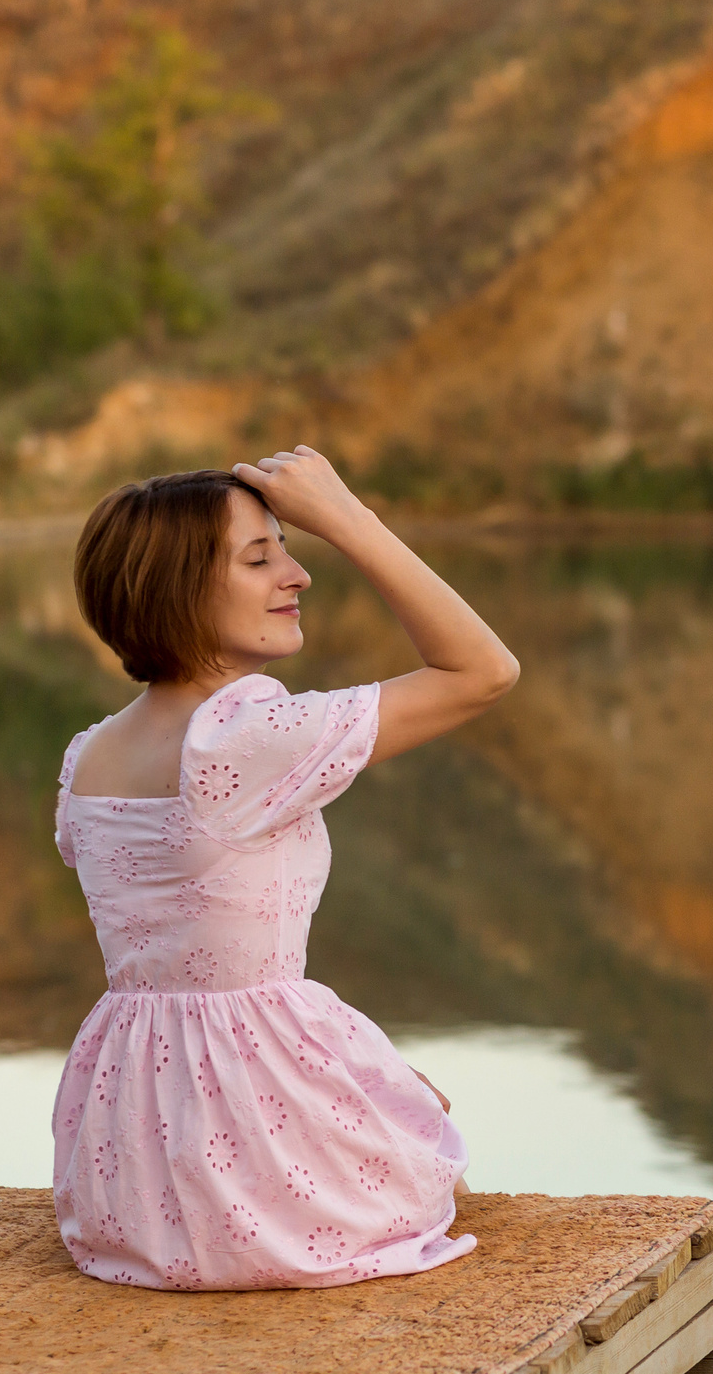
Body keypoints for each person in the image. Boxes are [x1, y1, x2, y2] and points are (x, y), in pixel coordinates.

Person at [47, 445, 519, 1290]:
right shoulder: (239, 735)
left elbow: (195, 953)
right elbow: (484, 670)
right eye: (262, 557)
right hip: (241, 1151)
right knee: (429, 1148)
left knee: (404, 1098)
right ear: (178, 588)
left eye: (293, 548)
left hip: (127, 1151)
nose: (298, 575)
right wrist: (349, 518)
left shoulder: (89, 755)